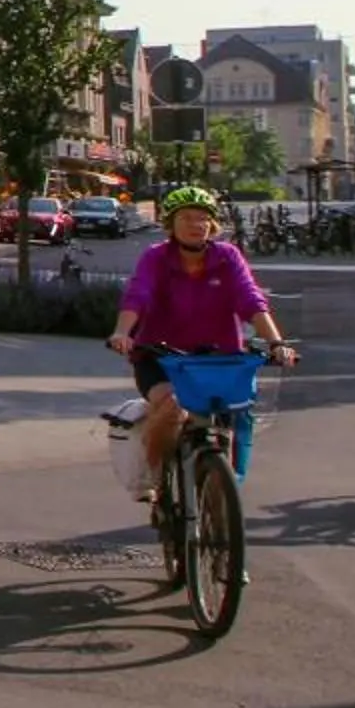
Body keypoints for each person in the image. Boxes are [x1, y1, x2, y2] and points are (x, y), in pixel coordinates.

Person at [104, 185, 298, 498]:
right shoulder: (156, 258)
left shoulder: (227, 257)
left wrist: (276, 343)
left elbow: (250, 301)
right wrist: (122, 332)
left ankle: (222, 486)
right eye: (187, 218)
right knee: (172, 408)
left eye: (203, 218)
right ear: (171, 224)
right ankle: (154, 477)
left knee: (232, 415)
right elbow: (138, 295)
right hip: (161, 358)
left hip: (218, 360)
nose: (197, 225)